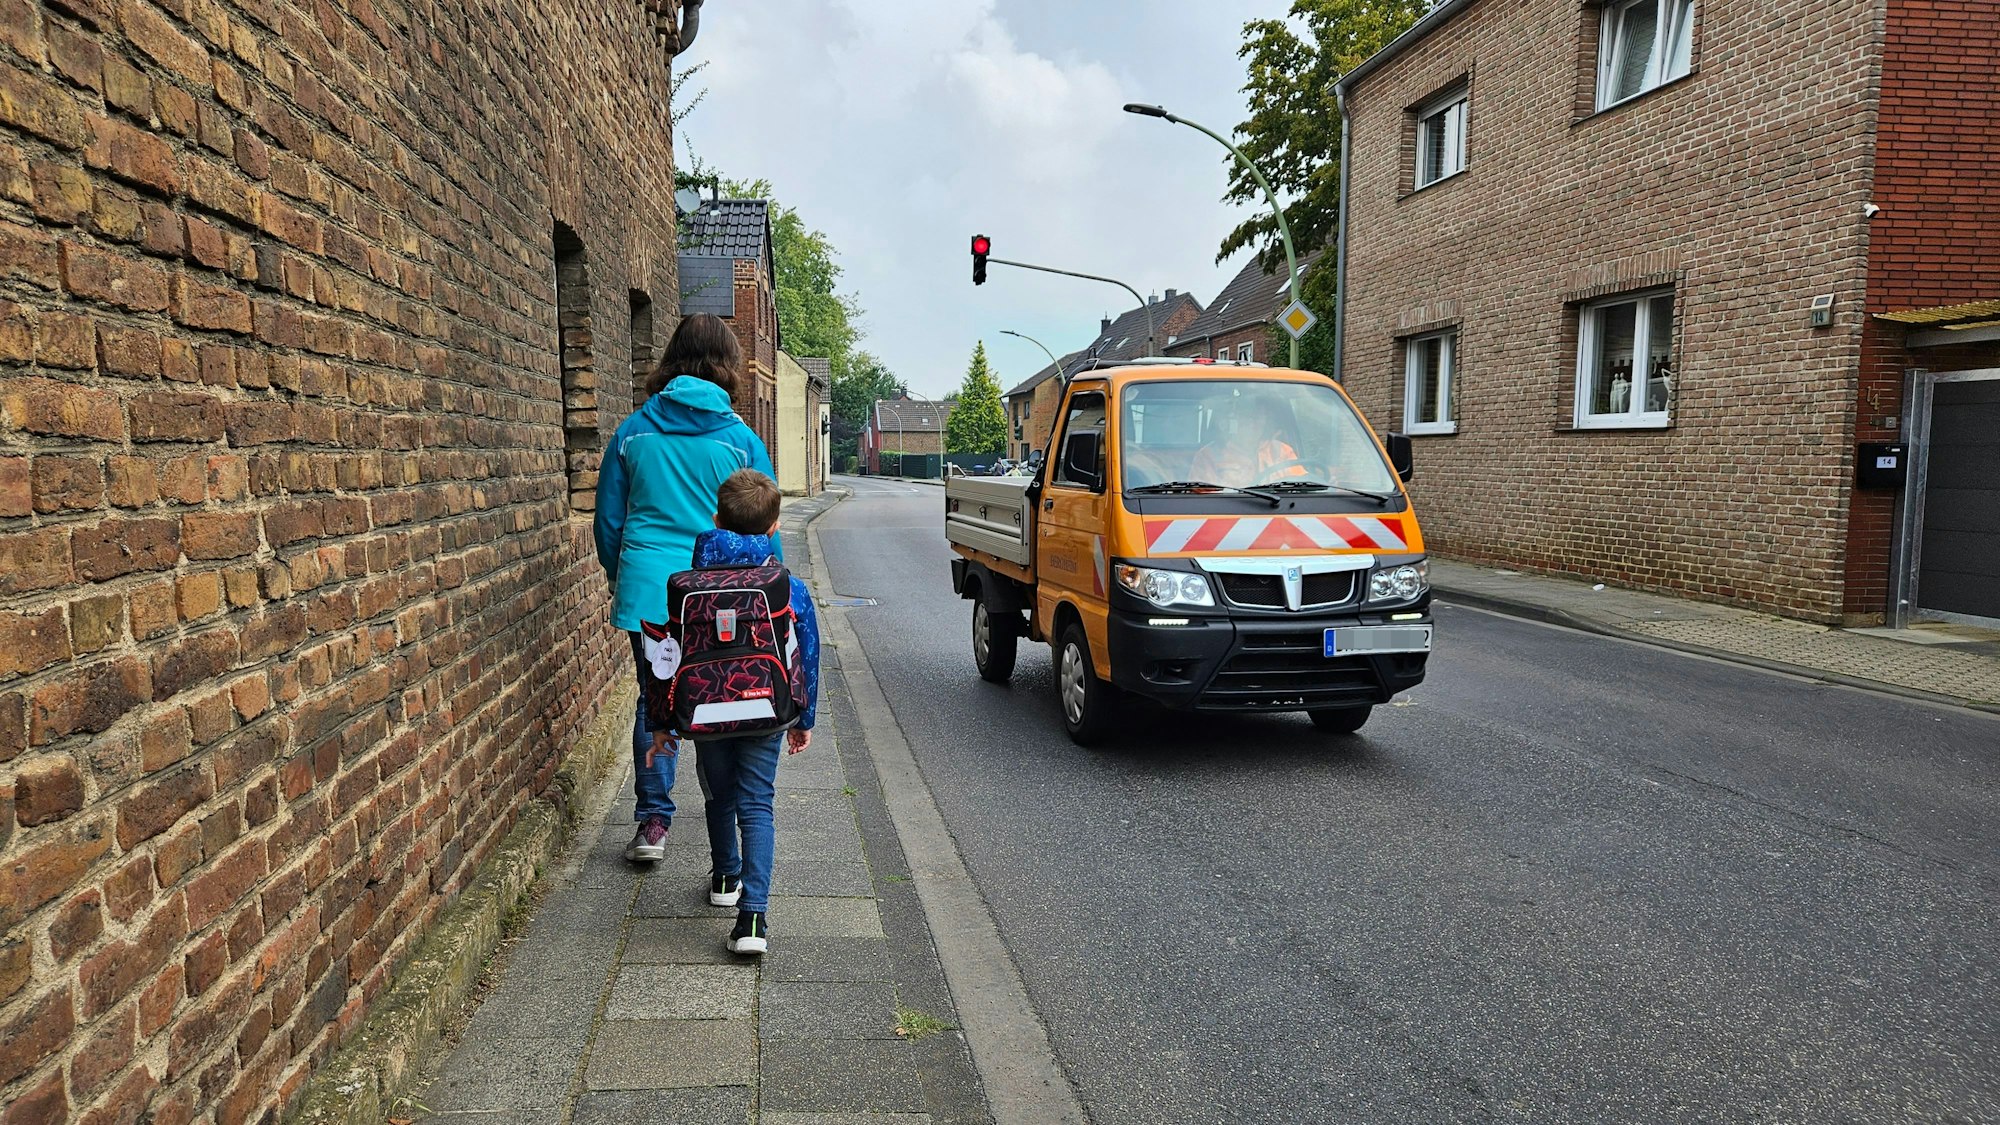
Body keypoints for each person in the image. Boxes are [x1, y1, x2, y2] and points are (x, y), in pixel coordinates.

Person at [594, 314, 776, 864]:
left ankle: (653, 823)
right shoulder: (741, 439)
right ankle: (724, 820)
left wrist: (621, 576)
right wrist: (772, 597)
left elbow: (608, 523)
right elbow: (766, 524)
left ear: (671, 360)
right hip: (724, 600)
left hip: (651, 593)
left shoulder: (632, 432)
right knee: (719, 699)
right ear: (727, 367)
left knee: (657, 703)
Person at [673, 469, 820, 955]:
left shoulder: (687, 585)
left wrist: (660, 722)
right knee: (757, 802)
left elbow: (667, 655)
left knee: (718, 794)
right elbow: (808, 654)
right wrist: (804, 718)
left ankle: (724, 877)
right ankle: (753, 919)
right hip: (766, 707)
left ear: (715, 519)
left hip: (706, 711)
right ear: (775, 528)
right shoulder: (786, 587)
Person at [1189, 396, 1308, 485]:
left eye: (1260, 418)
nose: (1256, 424)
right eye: (1249, 417)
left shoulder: (1281, 450)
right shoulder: (1209, 455)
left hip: (1278, 511)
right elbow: (1202, 501)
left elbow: (1301, 485)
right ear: (1235, 421)